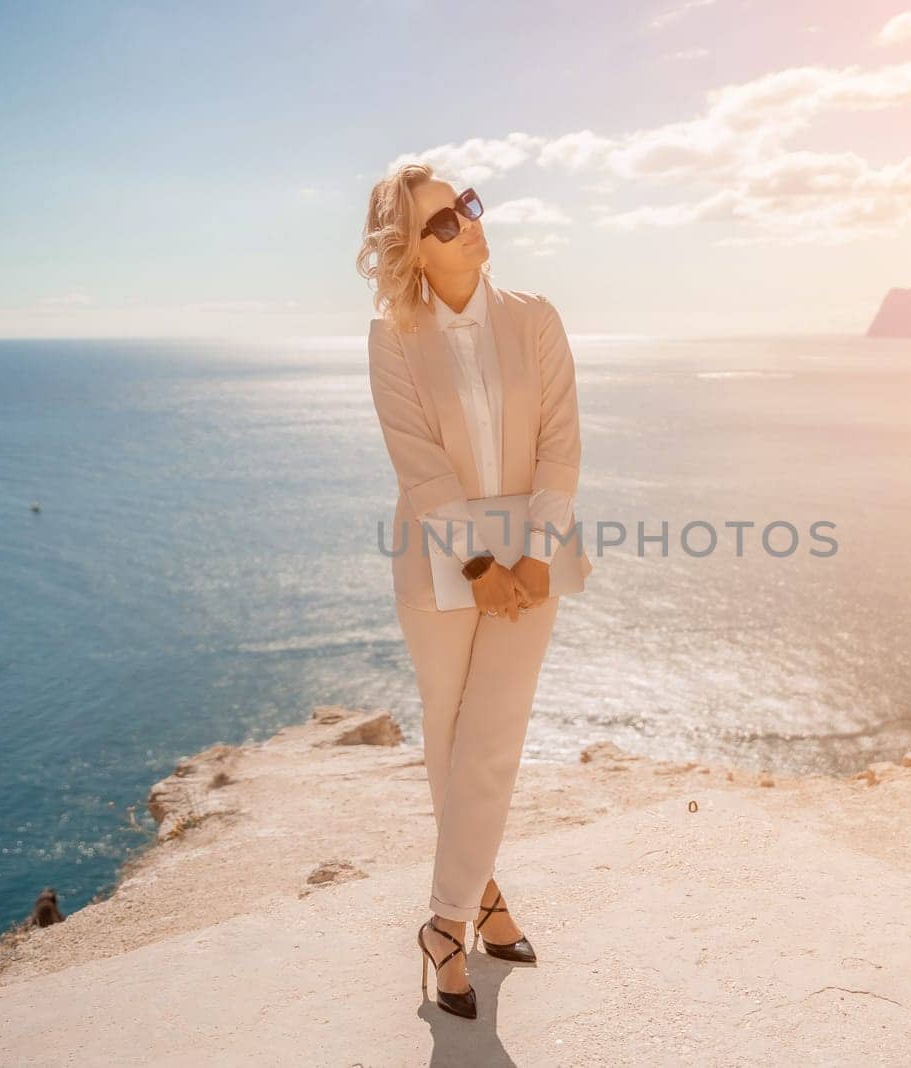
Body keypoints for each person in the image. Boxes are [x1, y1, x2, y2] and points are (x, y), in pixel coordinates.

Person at [356, 162, 593, 1020]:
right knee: (453, 737)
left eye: (464, 205)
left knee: (493, 737)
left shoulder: (535, 318)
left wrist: (531, 555)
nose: (465, 223)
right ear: (410, 251)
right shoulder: (393, 338)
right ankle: (483, 898)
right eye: (441, 223)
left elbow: (562, 440)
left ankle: (444, 922)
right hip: (439, 564)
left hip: (534, 557)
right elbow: (416, 461)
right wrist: (478, 566)